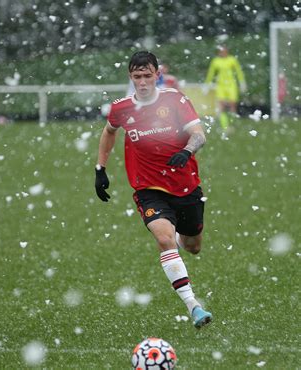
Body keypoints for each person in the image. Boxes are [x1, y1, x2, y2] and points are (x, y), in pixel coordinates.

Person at [95, 51, 212, 328]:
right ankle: (193, 305)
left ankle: (181, 240)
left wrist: (186, 151)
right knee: (163, 239)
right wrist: (100, 168)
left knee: (193, 246)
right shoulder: (122, 108)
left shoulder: (174, 99)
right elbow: (109, 131)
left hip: (186, 186)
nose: (143, 82)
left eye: (148, 75)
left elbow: (199, 133)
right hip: (148, 188)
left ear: (157, 75)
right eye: (137, 76)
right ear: (130, 77)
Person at [204, 45, 246, 131]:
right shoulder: (216, 61)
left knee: (232, 105)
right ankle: (225, 126)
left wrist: (242, 82)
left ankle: (233, 124)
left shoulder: (232, 60)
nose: (223, 53)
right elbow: (211, 73)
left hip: (231, 85)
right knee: (221, 106)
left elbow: (238, 71)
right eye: (221, 51)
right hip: (221, 86)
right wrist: (207, 84)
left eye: (224, 51)